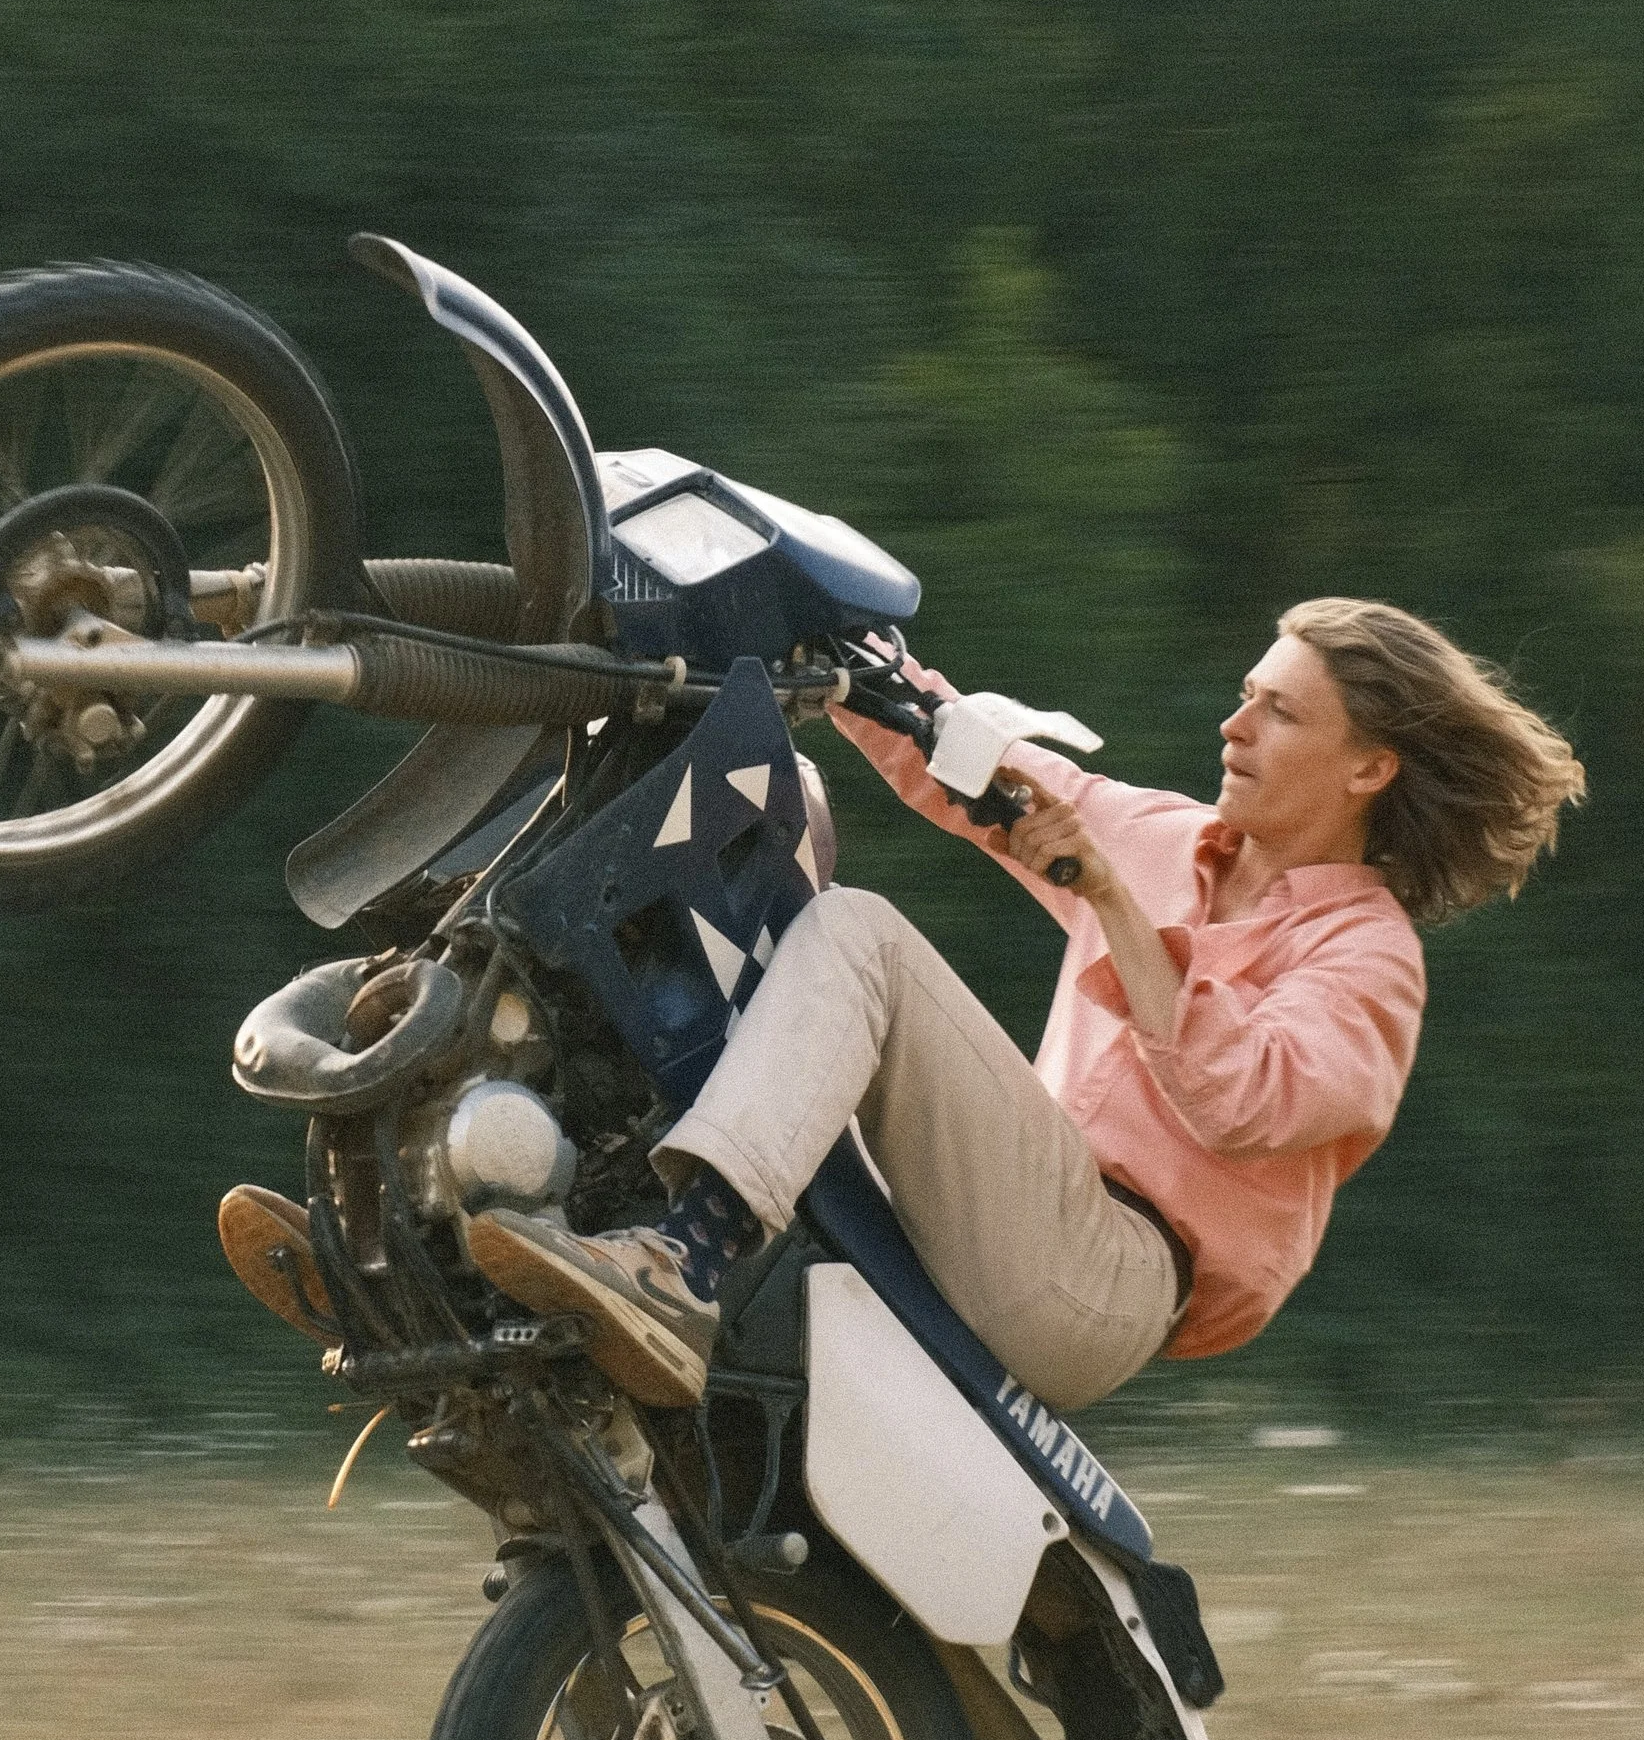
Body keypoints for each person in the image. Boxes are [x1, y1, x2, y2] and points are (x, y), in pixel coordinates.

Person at [466, 597, 1585, 1411]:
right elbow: (966, 768)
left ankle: (683, 1261)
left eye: (1279, 713)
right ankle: (465, 1240)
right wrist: (840, 643)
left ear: (1368, 770)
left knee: (860, 937)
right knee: (750, 944)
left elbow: (1242, 1099)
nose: (1232, 729)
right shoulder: (1167, 833)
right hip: (1004, 1212)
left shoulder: (1368, 959)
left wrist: (1105, 893)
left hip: (1095, 1283)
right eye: (1243, 698)